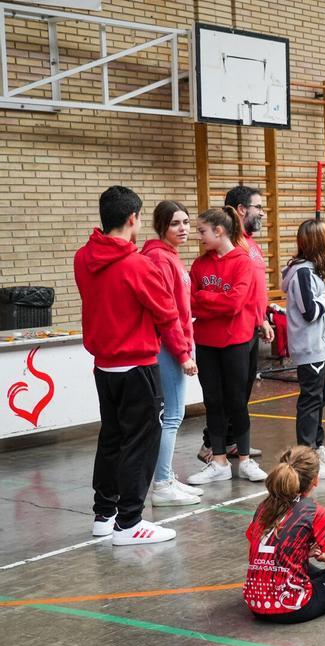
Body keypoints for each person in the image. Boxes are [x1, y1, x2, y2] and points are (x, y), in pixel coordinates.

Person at [75, 186, 189, 544]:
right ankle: (129, 522)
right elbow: (167, 314)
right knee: (141, 442)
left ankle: (104, 514)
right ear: (132, 218)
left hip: (104, 367)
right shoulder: (138, 265)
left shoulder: (83, 258)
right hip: (137, 366)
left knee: (111, 438)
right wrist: (184, 353)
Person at [243, 446, 325, 623]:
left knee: (308, 569)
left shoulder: (263, 506)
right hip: (294, 609)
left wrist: (301, 552)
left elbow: (255, 555)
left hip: (255, 604)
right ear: (315, 480)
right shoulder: (316, 513)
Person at [186, 207, 267, 484]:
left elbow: (235, 304)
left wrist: (205, 297)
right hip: (206, 342)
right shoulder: (200, 265)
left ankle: (244, 460)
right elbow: (190, 302)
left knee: (236, 401)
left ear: (219, 231)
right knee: (213, 401)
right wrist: (213, 301)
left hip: (235, 341)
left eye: (202, 231)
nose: (199, 237)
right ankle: (218, 461)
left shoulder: (243, 262)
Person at [198, 186, 272, 461]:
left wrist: (262, 318)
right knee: (223, 394)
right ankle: (212, 444)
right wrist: (215, 300)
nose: (261, 213)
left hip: (250, 325)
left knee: (241, 392)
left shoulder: (250, 246)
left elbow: (252, 292)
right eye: (258, 207)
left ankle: (232, 441)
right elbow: (228, 299)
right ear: (242, 209)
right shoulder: (235, 248)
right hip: (230, 331)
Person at [141, 200, 203, 507]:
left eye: (186, 222)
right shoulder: (159, 258)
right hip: (167, 347)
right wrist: (183, 354)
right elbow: (166, 314)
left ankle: (166, 477)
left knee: (171, 416)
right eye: (175, 223)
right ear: (161, 226)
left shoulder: (169, 256)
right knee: (173, 416)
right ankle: (162, 485)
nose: (183, 228)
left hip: (175, 344)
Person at [281, 219, 325, 479]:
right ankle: (305, 458)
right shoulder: (302, 273)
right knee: (310, 400)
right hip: (310, 348)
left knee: (321, 399)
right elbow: (310, 312)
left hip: (323, 347)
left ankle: (316, 447)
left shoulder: (314, 270)